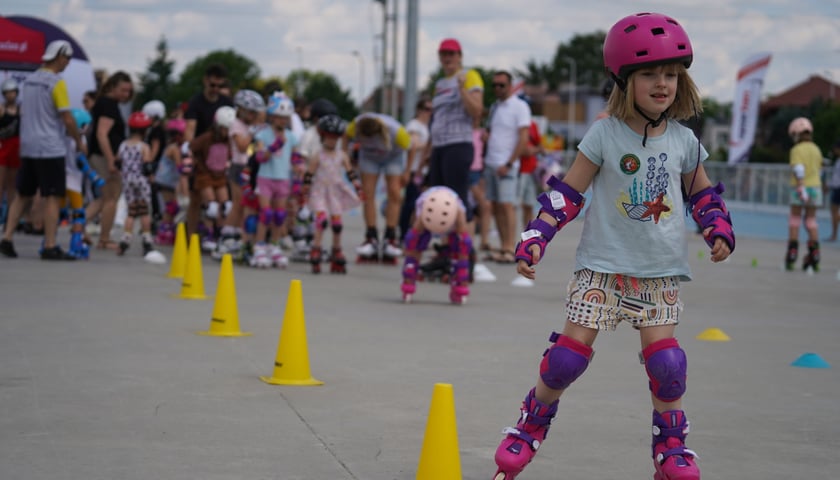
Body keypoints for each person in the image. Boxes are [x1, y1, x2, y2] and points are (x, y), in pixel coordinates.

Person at [492, 13, 734, 480]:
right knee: (564, 360)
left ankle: (671, 447)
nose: (662, 83)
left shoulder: (684, 141)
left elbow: (702, 193)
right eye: (649, 73)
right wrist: (536, 237)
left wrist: (716, 227)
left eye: (671, 74)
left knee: (667, 366)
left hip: (659, 272)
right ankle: (528, 426)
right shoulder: (604, 134)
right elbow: (568, 193)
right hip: (601, 269)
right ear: (625, 79)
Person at [0, 40, 86, 260]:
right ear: (60, 56)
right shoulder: (57, 83)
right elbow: (67, 118)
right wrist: (79, 140)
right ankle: (50, 244)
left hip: (28, 145)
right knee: (53, 196)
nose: (67, 63)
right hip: (50, 147)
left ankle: (7, 237)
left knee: (22, 195)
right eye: (67, 58)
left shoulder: (29, 81)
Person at [345, 112, 411, 264]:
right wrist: (346, 155)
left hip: (393, 158)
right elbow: (345, 135)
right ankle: (371, 236)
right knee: (367, 195)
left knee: (395, 194)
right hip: (369, 159)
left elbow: (411, 148)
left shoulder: (396, 132)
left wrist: (407, 171)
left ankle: (390, 236)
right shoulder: (356, 124)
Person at [302, 114, 361, 274]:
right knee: (321, 221)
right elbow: (309, 174)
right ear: (322, 136)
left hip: (335, 192)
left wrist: (357, 187)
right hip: (320, 191)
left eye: (335, 138)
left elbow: (350, 173)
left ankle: (336, 250)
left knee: (337, 224)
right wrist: (305, 190)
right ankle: (316, 248)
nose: (332, 142)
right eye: (329, 138)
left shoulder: (342, 155)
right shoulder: (317, 155)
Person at [484, 71, 531, 263]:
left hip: (507, 163)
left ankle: (510, 247)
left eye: (501, 85)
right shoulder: (495, 107)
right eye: (494, 85)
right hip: (491, 162)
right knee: (494, 206)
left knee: (507, 205)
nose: (497, 88)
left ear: (510, 86)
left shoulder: (519, 107)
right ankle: (503, 245)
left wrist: (510, 162)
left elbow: (523, 138)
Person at [183, 63, 234, 238]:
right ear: (205, 81)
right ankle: (190, 236)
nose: (216, 89)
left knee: (221, 200)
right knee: (196, 200)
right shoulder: (196, 102)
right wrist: (188, 155)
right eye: (212, 85)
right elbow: (190, 128)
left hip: (219, 160)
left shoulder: (226, 103)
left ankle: (216, 233)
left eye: (220, 86)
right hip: (201, 158)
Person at [84, 71, 133, 250]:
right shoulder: (108, 105)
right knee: (111, 197)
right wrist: (111, 159)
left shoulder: (104, 103)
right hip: (104, 157)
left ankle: (80, 226)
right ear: (113, 87)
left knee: (103, 198)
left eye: (129, 91)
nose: (126, 95)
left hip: (99, 155)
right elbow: (102, 134)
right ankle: (104, 239)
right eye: (123, 90)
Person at [250, 94, 300, 268]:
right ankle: (259, 246)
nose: (283, 121)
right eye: (280, 117)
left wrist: (298, 169)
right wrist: (274, 147)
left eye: (286, 118)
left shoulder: (292, 136)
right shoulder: (263, 135)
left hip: (283, 178)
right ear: (272, 117)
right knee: (266, 214)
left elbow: (295, 158)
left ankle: (274, 246)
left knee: (279, 215)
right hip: (265, 178)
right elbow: (260, 157)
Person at [400, 186, 471, 304]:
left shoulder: (458, 211)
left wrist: (462, 272)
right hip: (428, 211)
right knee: (416, 242)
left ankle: (459, 281)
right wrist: (410, 260)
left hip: (451, 212)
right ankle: (409, 277)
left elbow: (465, 243)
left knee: (461, 245)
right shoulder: (423, 209)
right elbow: (412, 238)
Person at [216, 89, 265, 258]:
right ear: (241, 109)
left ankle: (237, 234)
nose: (253, 116)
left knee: (244, 205)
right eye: (251, 112)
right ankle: (226, 236)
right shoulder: (236, 125)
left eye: (254, 113)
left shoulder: (246, 125)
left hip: (248, 168)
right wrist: (253, 131)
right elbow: (242, 146)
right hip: (238, 167)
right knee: (238, 204)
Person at [190, 106, 234, 252]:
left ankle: (220, 235)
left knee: (225, 206)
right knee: (212, 208)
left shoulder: (229, 140)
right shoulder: (207, 138)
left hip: (220, 175)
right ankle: (208, 235)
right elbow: (190, 148)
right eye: (224, 129)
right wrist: (193, 163)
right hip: (205, 175)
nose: (227, 133)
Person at [115, 112, 157, 257]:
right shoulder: (144, 146)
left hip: (127, 180)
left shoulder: (122, 145)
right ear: (145, 130)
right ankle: (146, 239)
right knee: (144, 210)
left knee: (131, 211)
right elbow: (147, 165)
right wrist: (151, 177)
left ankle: (126, 239)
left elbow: (117, 162)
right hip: (141, 180)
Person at [784, 117, 823, 271]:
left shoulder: (797, 150)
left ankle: (792, 253)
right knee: (811, 221)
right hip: (815, 188)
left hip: (800, 188)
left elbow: (798, 168)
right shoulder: (816, 149)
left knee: (795, 219)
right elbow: (819, 170)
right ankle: (815, 254)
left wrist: (801, 186)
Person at [398, 99, 432, 243]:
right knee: (411, 203)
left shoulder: (427, 127)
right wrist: (430, 146)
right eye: (426, 109)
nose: (429, 113)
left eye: (431, 110)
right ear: (419, 110)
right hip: (414, 169)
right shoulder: (414, 126)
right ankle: (404, 234)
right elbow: (413, 145)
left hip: (423, 170)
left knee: (421, 203)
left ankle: (415, 234)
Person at [153, 118, 185, 245]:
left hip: (168, 181)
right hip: (165, 182)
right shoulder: (174, 148)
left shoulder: (173, 146)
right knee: (171, 207)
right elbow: (180, 166)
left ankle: (168, 229)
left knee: (173, 207)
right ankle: (163, 232)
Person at [517, 107, 544, 231]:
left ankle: (527, 232)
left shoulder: (533, 125)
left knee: (529, 204)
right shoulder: (515, 124)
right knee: (516, 205)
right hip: (518, 170)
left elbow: (540, 146)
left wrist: (532, 150)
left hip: (531, 170)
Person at [0, 78, 21, 226]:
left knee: (13, 185)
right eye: (7, 93)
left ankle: (11, 218)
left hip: (16, 148)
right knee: (1, 184)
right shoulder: (1, 109)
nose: (10, 95)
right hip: (3, 147)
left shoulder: (21, 110)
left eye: (12, 92)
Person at [827, 141, 840, 242]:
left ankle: (834, 235)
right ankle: (834, 235)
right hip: (836, 188)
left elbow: (836, 179)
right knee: (834, 213)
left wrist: (829, 185)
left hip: (837, 189)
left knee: (834, 213)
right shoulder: (837, 161)